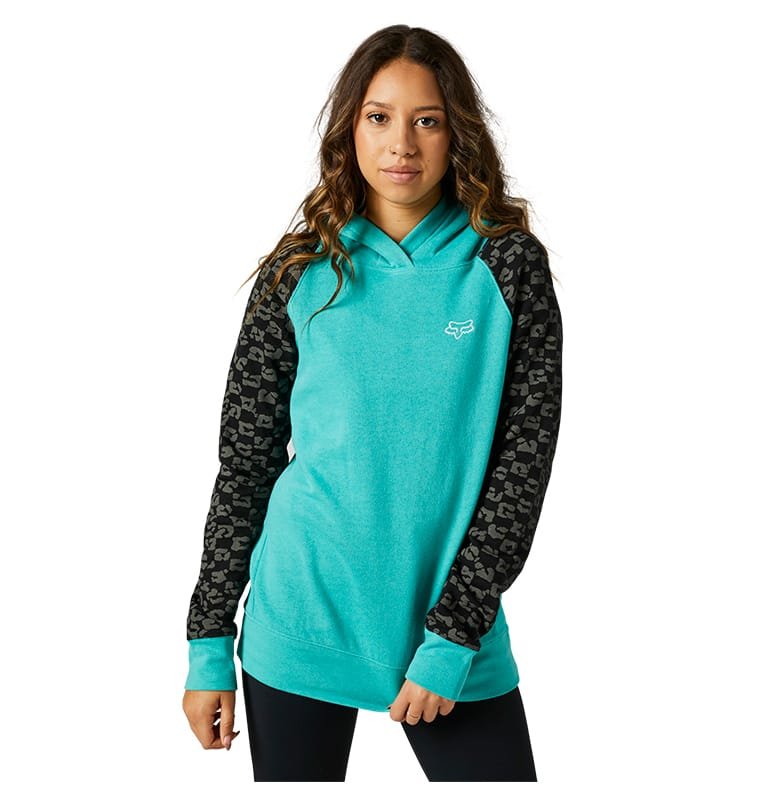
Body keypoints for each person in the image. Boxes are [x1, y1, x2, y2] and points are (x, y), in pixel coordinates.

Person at [181, 24, 563, 782]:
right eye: (379, 117)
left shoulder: (508, 265)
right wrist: (208, 642)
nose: (402, 145)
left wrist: (453, 636)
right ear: (349, 129)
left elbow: (521, 472)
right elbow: (247, 465)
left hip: (451, 630)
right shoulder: (297, 273)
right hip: (300, 618)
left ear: (457, 134)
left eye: (428, 120)